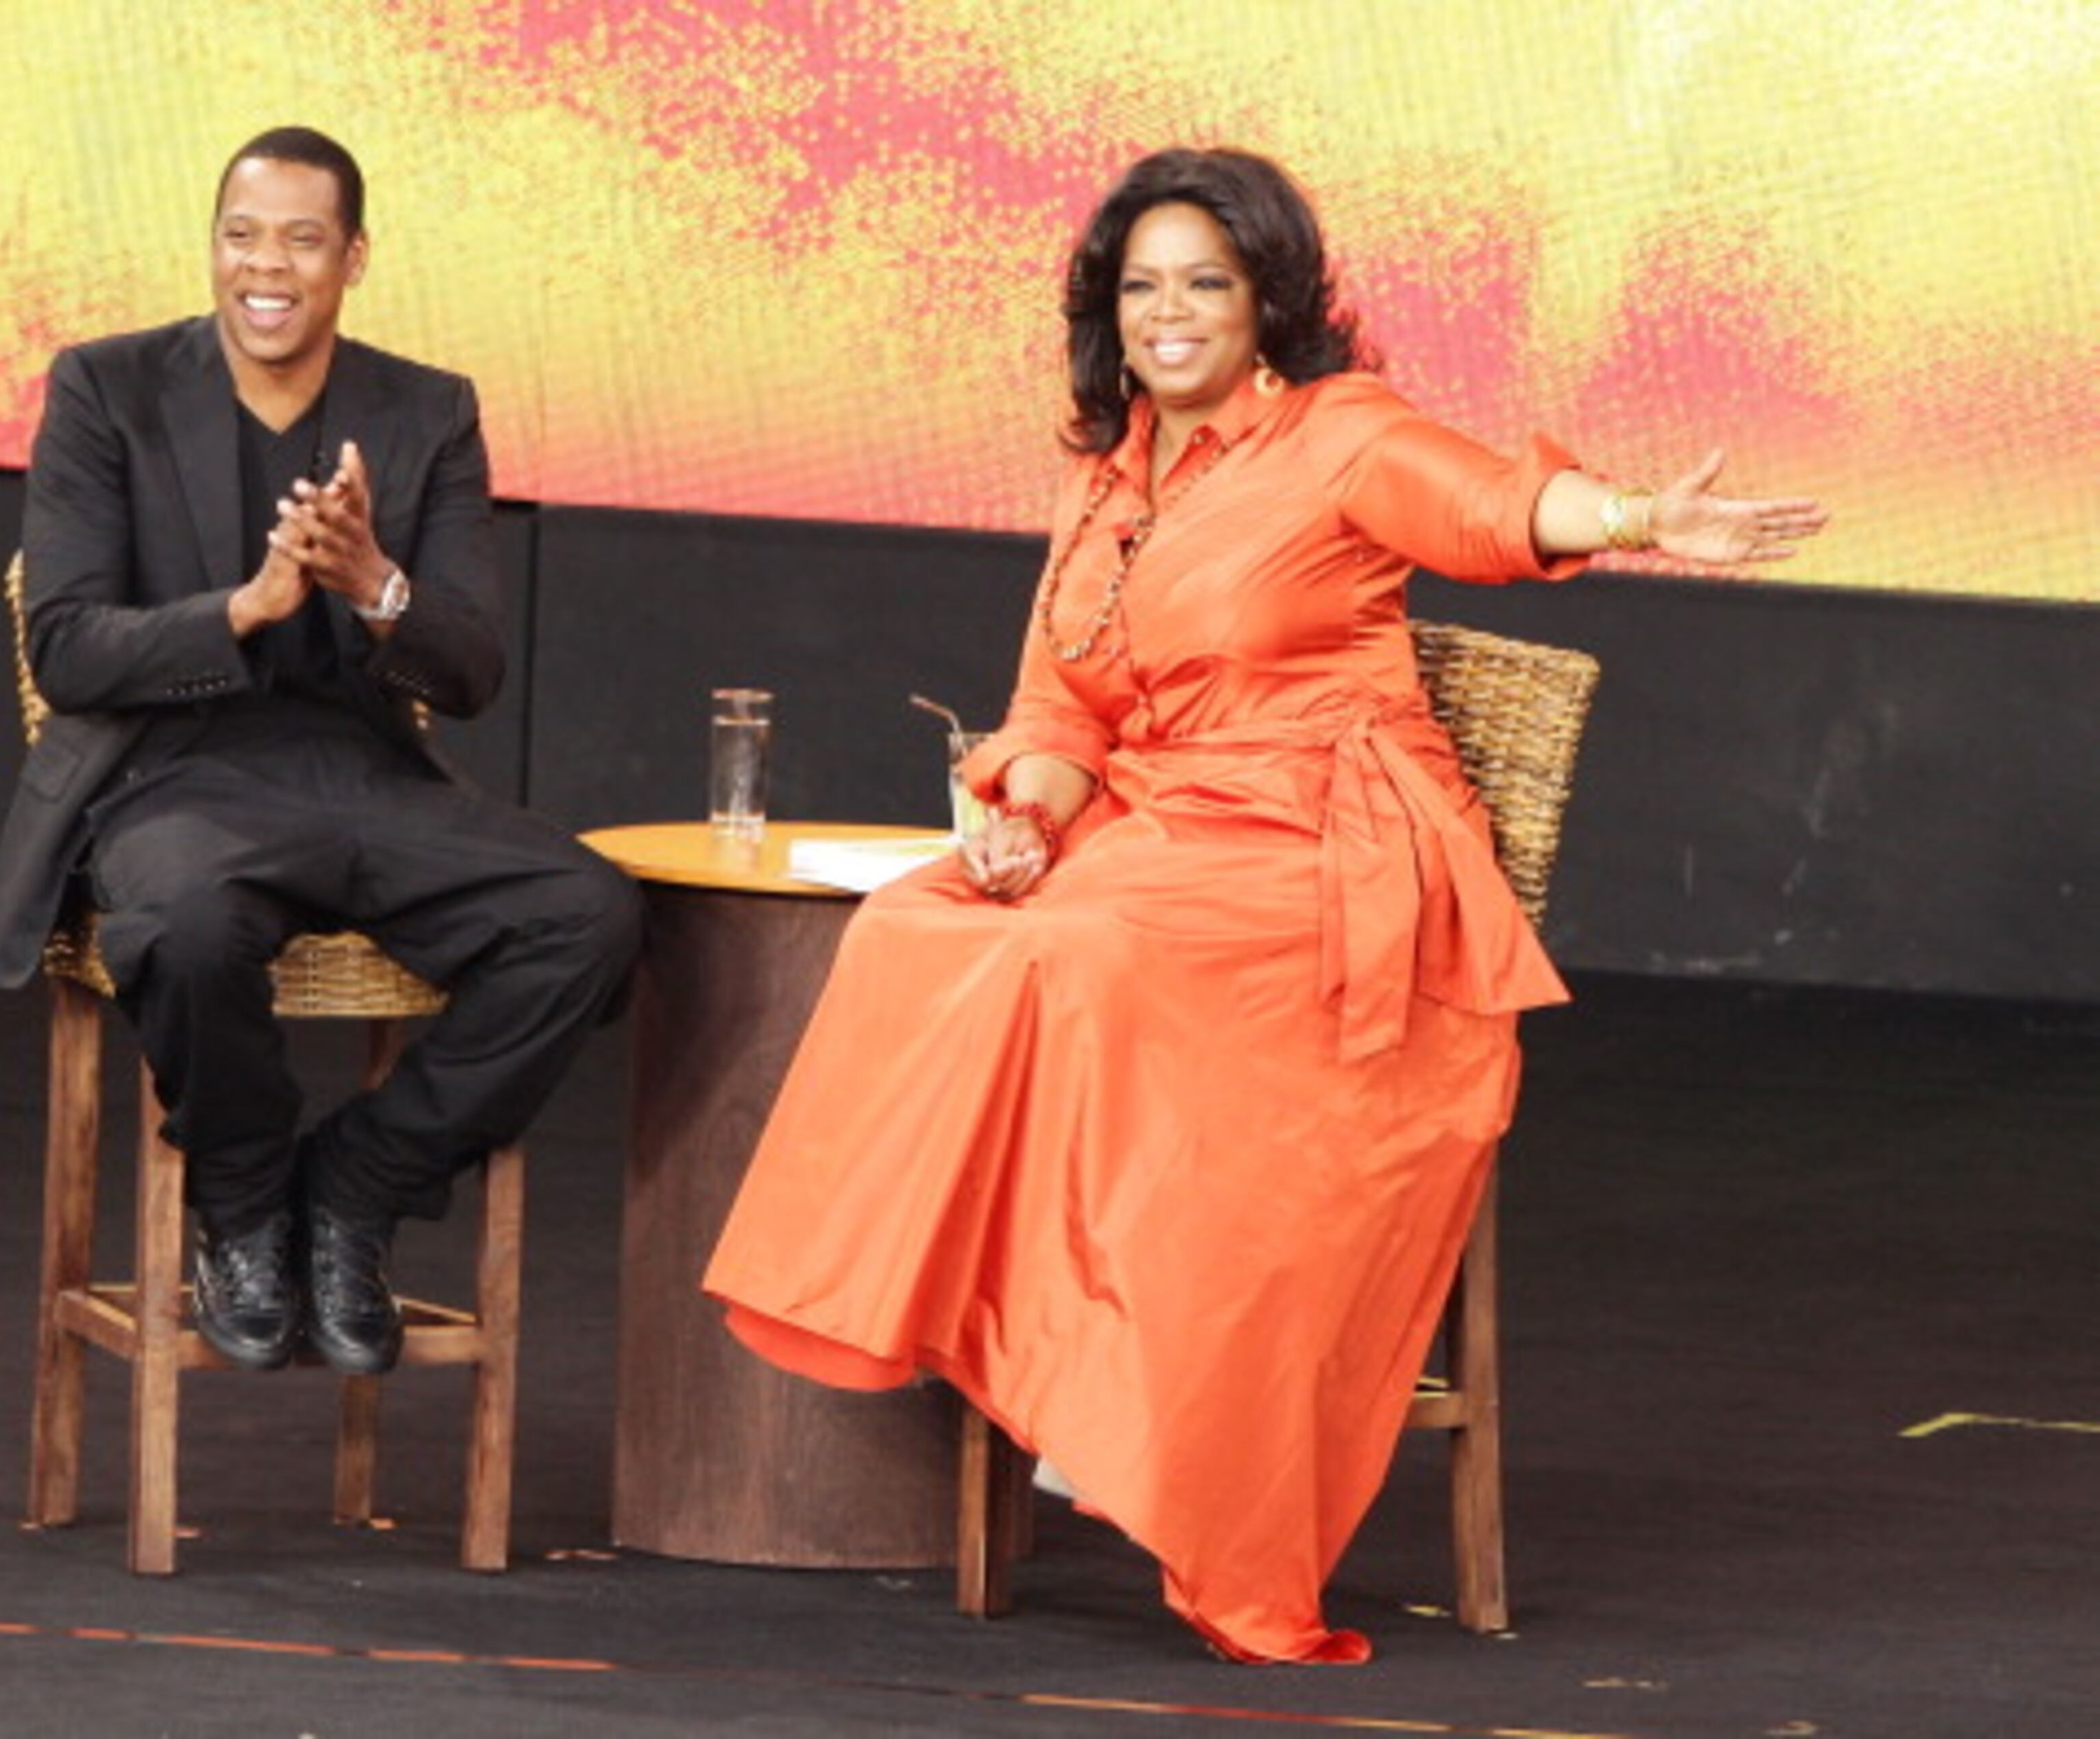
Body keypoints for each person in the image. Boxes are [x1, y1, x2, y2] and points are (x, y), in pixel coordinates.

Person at [703, 147, 1826, 1664]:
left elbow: (1494, 502)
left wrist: (1624, 513)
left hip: (1326, 842)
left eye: (1205, 285)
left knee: (1089, 957)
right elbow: (1059, 707)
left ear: (1265, 300)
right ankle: (1073, 1353)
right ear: (1111, 310)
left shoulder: (1338, 434)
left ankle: (1115, 1390)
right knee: (921, 925)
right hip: (1161, 827)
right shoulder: (1106, 479)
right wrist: (1027, 815)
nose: (1170, 314)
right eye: (1142, 286)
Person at [0, 126, 640, 1380]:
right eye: (241, 235)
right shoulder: (105, 388)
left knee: (587, 910)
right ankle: (241, 1203)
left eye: (299, 239)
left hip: (363, 777)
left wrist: (377, 585)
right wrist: (245, 608)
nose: (264, 267)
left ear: (353, 257)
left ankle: (354, 1185)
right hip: (170, 776)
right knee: (182, 924)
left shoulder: (424, 410)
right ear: (213, 247)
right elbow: (64, 646)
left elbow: (473, 674)